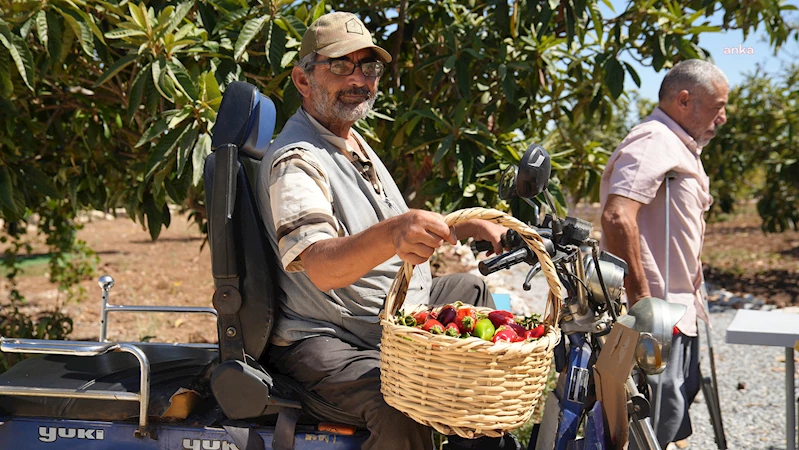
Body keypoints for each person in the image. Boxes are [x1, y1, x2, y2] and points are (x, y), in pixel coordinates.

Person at [255, 11, 521, 450]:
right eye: (340, 65)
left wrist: (462, 224)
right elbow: (320, 265)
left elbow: (377, 221)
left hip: (390, 316)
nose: (358, 79)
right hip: (331, 336)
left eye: (369, 66)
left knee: (470, 292)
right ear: (303, 80)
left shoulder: (350, 140)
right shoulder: (298, 159)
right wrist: (395, 232)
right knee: (401, 403)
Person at [599, 59, 728, 449]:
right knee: (649, 425)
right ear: (684, 100)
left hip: (680, 312)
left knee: (670, 415)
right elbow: (618, 216)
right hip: (658, 315)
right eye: (718, 107)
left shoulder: (680, 145)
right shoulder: (654, 140)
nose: (723, 118)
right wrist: (643, 303)